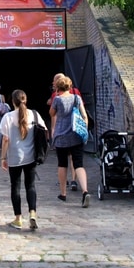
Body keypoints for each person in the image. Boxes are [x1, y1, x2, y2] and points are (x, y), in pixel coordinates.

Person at [0, 88, 47, 230]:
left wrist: (3, 157)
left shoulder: (8, 117)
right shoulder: (34, 114)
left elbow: (5, 139)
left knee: (15, 187)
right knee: (30, 186)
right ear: (25, 100)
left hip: (14, 157)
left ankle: (18, 218)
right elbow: (44, 130)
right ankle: (32, 213)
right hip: (30, 157)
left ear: (12, 102)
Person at [49, 75, 90, 207]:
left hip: (61, 136)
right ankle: (85, 191)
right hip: (76, 135)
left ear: (58, 87)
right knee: (79, 164)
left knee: (62, 164)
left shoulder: (57, 99)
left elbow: (52, 113)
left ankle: (63, 193)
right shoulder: (77, 98)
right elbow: (84, 116)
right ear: (69, 86)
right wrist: (84, 130)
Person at [47, 72, 79, 190]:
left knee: (62, 161)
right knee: (74, 158)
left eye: (54, 81)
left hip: (61, 132)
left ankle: (63, 185)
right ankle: (74, 180)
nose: (53, 83)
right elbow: (81, 111)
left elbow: (53, 114)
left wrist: (53, 129)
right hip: (74, 130)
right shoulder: (76, 93)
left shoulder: (56, 97)